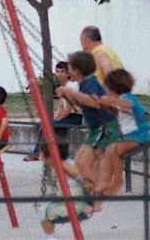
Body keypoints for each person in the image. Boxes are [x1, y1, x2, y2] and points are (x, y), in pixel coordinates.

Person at [58, 51, 119, 210]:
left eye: (69, 67)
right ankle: (93, 195)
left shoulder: (89, 82)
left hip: (105, 127)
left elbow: (95, 103)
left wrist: (71, 92)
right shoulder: (84, 84)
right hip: (97, 129)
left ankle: (96, 199)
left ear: (77, 70)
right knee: (79, 161)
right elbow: (83, 106)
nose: (68, 70)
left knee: (85, 163)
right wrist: (67, 96)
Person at [94, 68, 150, 195]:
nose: (105, 90)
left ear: (114, 88)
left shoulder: (128, 98)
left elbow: (129, 105)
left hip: (139, 135)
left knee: (113, 150)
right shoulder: (120, 100)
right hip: (129, 136)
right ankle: (104, 182)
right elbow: (119, 112)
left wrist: (111, 101)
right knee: (108, 151)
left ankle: (118, 182)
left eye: (107, 87)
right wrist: (107, 106)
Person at [25, 60, 83, 161]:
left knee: (47, 127)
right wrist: (53, 119)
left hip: (77, 117)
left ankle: (38, 153)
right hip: (70, 116)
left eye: (62, 72)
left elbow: (67, 110)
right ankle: (44, 152)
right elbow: (61, 108)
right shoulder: (62, 87)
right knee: (46, 125)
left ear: (68, 73)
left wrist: (54, 122)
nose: (59, 74)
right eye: (57, 71)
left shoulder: (70, 87)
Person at [37, 142, 93, 240]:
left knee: (43, 210)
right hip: (70, 200)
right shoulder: (55, 166)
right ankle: (50, 236)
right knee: (43, 206)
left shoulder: (64, 165)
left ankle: (51, 237)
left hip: (77, 205)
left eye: (41, 153)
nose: (39, 156)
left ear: (50, 156)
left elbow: (83, 179)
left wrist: (91, 203)